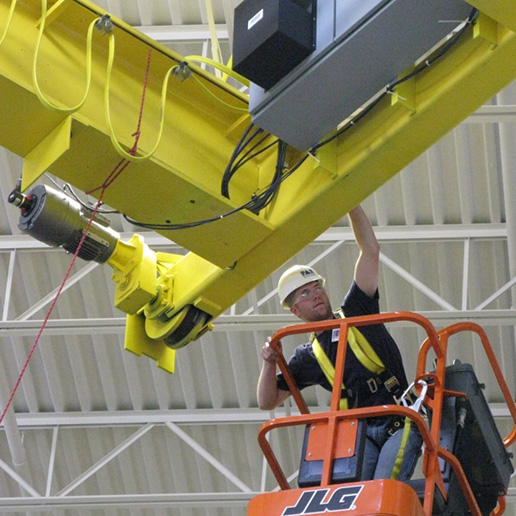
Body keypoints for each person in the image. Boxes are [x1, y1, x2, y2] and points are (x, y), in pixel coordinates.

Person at [257, 204, 422, 481]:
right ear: (295, 311)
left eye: (317, 288)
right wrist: (268, 363)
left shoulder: (357, 309)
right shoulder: (308, 356)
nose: (316, 295)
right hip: (358, 434)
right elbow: (267, 401)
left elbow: (369, 250)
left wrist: (350, 203)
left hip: (399, 418)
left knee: (383, 487)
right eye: (305, 294)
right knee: (357, 496)